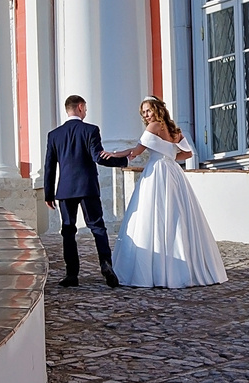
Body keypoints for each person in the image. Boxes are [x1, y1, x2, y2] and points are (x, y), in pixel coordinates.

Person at [113, 97, 228, 289]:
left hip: (158, 171)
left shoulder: (154, 127)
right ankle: (180, 270)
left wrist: (116, 154)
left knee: (153, 214)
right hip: (173, 171)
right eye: (143, 112)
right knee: (176, 215)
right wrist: (171, 156)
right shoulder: (174, 129)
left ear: (157, 109)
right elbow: (188, 153)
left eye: (148, 110)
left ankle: (155, 271)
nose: (146, 115)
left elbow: (137, 151)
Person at [40, 94, 132, 288]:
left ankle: (71, 275)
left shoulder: (54, 135)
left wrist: (48, 193)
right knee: (97, 227)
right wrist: (123, 160)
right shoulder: (90, 130)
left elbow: (49, 167)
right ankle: (105, 264)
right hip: (88, 187)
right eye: (86, 108)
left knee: (68, 231)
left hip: (65, 190)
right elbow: (98, 157)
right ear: (80, 107)